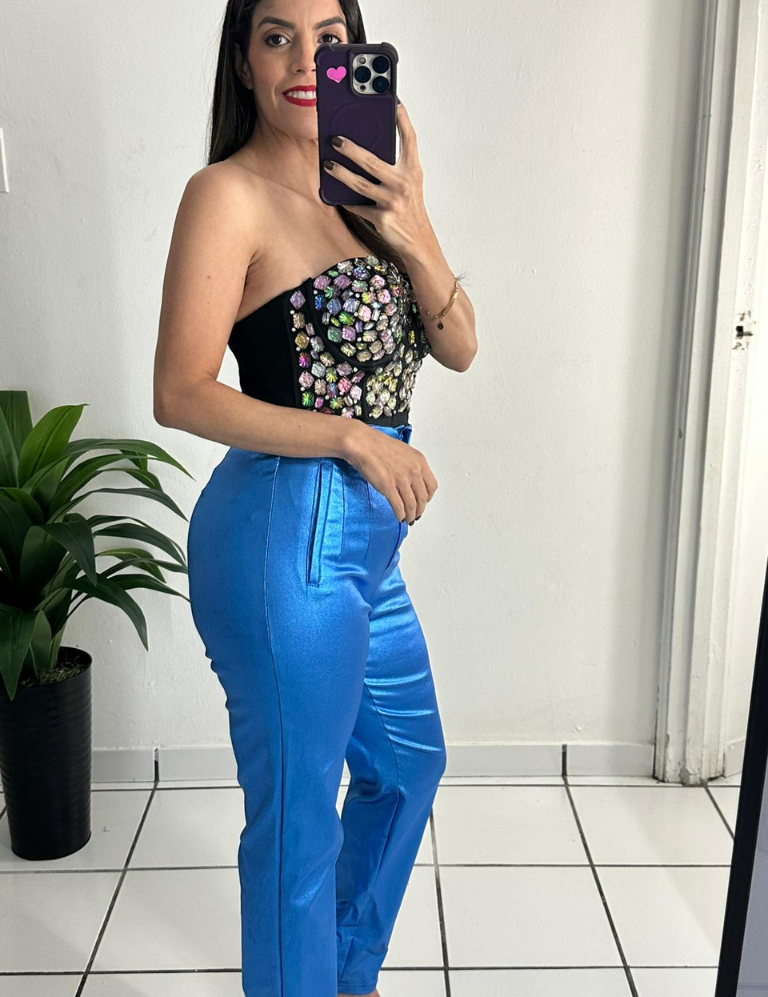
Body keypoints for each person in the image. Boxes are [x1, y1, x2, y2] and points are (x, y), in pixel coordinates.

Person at [153, 1, 477, 994]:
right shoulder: (226, 194)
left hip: (365, 546)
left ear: (355, 53)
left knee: (408, 764)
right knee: (297, 827)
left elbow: (461, 346)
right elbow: (180, 391)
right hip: (283, 535)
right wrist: (348, 435)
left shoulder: (371, 189)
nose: (305, 60)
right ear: (243, 63)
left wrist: (414, 226)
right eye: (277, 37)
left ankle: (334, 977)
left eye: (328, 39)